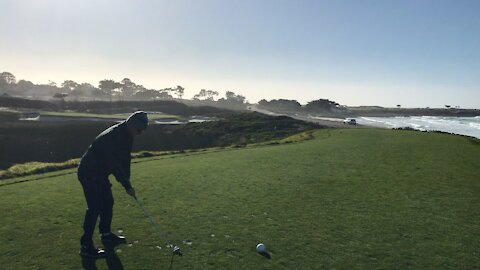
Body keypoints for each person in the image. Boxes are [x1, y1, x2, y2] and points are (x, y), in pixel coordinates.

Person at [77, 111, 148, 258]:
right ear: (132, 125)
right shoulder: (112, 137)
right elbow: (115, 165)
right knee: (95, 206)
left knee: (108, 202)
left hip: (100, 173)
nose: (140, 133)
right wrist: (126, 186)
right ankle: (86, 245)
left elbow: (125, 159)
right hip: (88, 172)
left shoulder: (128, 135)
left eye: (142, 131)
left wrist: (128, 181)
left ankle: (106, 234)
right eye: (139, 130)